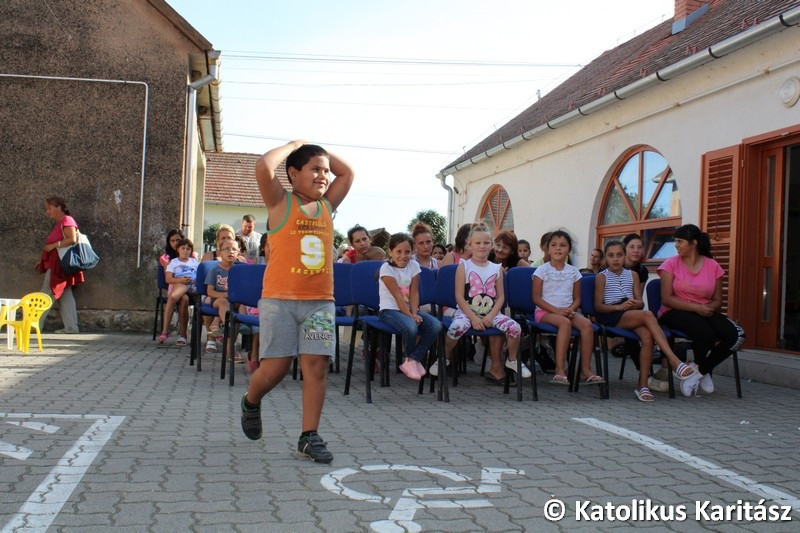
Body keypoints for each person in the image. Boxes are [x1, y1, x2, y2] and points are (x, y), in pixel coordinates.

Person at [241, 140, 354, 465]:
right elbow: (264, 166)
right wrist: (295, 144)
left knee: (316, 367)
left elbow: (348, 173)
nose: (323, 176)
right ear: (293, 173)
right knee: (275, 369)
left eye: (325, 171)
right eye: (315, 169)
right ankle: (251, 401)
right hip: (279, 302)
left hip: (320, 304)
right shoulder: (280, 202)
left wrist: (319, 149)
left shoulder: (327, 206)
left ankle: (309, 436)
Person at [594, 240, 696, 401]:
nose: (615, 259)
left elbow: (640, 302)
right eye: (611, 255)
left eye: (619, 255)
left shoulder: (633, 275)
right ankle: (674, 361)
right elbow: (598, 307)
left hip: (630, 313)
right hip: (611, 314)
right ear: (605, 258)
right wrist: (619, 307)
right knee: (648, 315)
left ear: (625, 256)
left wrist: (634, 304)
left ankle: (642, 386)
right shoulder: (601, 277)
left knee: (647, 336)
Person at [657, 224, 745, 396]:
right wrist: (697, 308)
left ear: (694, 243)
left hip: (704, 310)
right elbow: (667, 299)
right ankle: (702, 371)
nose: (676, 245)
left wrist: (707, 308)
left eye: (680, 241)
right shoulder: (670, 264)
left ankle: (699, 371)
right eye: (676, 241)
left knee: (737, 336)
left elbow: (717, 300)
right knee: (706, 334)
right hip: (674, 311)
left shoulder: (713, 266)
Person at [440, 223, 530, 385]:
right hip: (468, 313)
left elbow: (501, 297)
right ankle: (444, 356)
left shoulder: (496, 268)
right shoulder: (464, 266)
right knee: (456, 328)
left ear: (491, 245)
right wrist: (473, 318)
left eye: (486, 242)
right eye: (478, 243)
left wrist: (491, 315)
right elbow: (459, 296)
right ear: (469, 245)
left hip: (491, 313)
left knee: (515, 328)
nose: (482, 246)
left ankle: (512, 360)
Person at [532, 230, 604, 386]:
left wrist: (571, 309)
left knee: (587, 324)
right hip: (545, 312)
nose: (558, 248)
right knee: (565, 323)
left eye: (563, 245)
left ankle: (585, 370)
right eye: (554, 245)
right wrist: (558, 311)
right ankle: (559, 370)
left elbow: (577, 298)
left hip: (567, 311)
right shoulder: (541, 270)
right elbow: (536, 298)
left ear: (569, 249)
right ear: (548, 249)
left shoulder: (574, 272)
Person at [378, 233, 442, 380]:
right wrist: (411, 316)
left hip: (408, 311)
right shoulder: (386, 268)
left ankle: (412, 360)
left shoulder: (414, 266)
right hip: (389, 310)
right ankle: (409, 358)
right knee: (411, 327)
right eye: (399, 251)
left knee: (435, 325)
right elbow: (398, 297)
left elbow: (414, 293)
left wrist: (415, 312)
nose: (403, 256)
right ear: (390, 252)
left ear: (412, 251)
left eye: (407, 252)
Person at [36, 196, 83, 333]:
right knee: (65, 295)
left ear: (59, 208)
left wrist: (52, 246)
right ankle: (71, 327)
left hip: (59, 266)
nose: (47, 212)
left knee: (45, 293)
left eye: (49, 208)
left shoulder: (67, 220)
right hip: (58, 264)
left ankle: (34, 325)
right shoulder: (61, 223)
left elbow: (72, 239)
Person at [159, 238, 199, 347]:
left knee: (201, 298)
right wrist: (180, 280)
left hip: (194, 286)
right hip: (181, 284)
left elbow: (201, 276)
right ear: (178, 249)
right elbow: (168, 279)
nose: (185, 251)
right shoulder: (173, 262)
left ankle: (167, 331)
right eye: (183, 248)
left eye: (188, 249)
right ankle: (177, 334)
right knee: (181, 299)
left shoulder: (195, 262)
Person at [204, 238, 239, 355]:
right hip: (218, 299)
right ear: (220, 253)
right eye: (227, 249)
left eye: (234, 249)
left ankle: (232, 343)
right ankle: (228, 325)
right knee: (223, 302)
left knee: (242, 305)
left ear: (238, 252)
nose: (231, 251)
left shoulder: (239, 271)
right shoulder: (214, 271)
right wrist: (224, 295)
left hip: (235, 300)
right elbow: (210, 291)